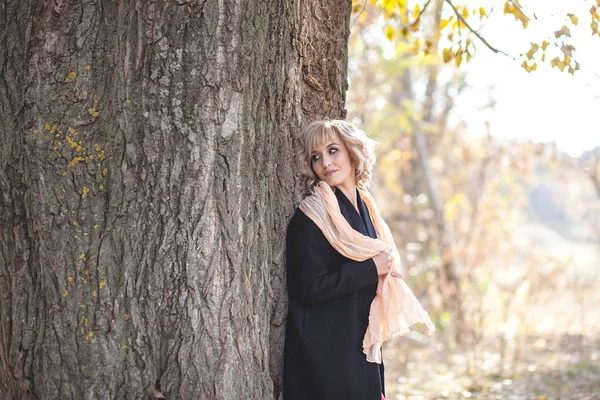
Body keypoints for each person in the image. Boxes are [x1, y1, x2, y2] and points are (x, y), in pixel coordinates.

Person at [283, 120, 403, 400]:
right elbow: (308, 288)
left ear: (352, 151)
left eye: (333, 150)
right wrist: (370, 269)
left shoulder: (367, 209)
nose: (325, 162)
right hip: (327, 354)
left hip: (362, 345)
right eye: (316, 157)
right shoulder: (312, 219)